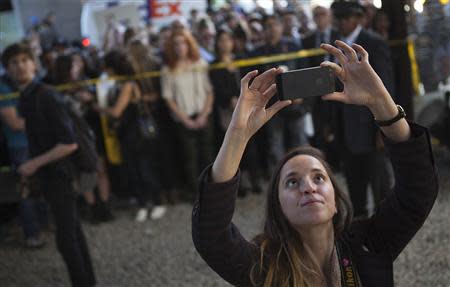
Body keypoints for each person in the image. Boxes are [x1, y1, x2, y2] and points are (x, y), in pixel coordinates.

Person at [192, 41, 438, 286]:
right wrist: (237, 135)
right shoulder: (264, 266)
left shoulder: (367, 245)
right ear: (278, 208)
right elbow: (211, 236)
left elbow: (418, 190)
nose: (308, 187)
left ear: (336, 198)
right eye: (292, 182)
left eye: (319, 177)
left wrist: (381, 102)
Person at [3, 42, 96, 287]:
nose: (20, 66)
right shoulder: (27, 97)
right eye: (14, 63)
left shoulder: (45, 96)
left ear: (34, 63)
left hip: (60, 175)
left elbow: (69, 143)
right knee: (72, 232)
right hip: (51, 175)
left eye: (24, 60)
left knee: (66, 239)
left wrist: (33, 164)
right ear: (7, 69)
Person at [331, 1, 395, 217]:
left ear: (356, 18)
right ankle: (359, 226)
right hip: (344, 127)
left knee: (380, 185)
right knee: (354, 184)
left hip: (370, 126)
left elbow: (386, 87)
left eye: (343, 18)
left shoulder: (373, 43)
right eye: (336, 18)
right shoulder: (335, 44)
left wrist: (383, 127)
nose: (338, 23)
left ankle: (386, 226)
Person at [102, 50, 165, 222]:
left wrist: (99, 108)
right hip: (129, 134)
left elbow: (116, 112)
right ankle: (145, 204)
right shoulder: (123, 83)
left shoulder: (127, 85)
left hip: (136, 134)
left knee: (144, 169)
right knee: (136, 170)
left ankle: (156, 202)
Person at [160, 29, 214, 200]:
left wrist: (204, 115)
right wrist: (185, 120)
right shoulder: (168, 70)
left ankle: (213, 190)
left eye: (183, 43)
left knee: (208, 154)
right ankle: (196, 192)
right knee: (189, 158)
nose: (180, 47)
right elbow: (168, 98)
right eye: (175, 44)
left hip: (203, 114)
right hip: (183, 118)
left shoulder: (200, 64)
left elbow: (210, 91)